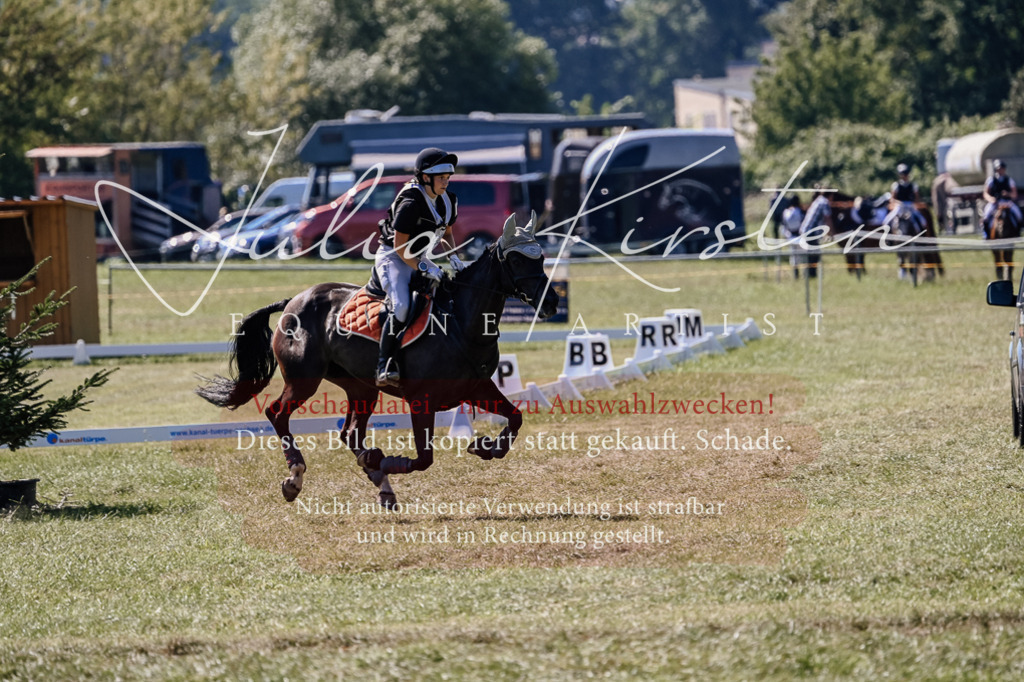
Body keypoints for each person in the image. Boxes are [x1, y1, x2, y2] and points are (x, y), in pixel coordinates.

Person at [374, 147, 466, 388]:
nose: (446, 182)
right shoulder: (411, 202)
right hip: (393, 257)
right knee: (402, 306)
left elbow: (446, 232)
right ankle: (384, 365)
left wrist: (454, 257)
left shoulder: (449, 200)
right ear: (425, 177)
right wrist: (428, 267)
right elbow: (400, 248)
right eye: (441, 178)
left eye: (448, 178)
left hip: (418, 256)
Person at [981, 159, 1022, 238]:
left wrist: (1008, 194)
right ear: (996, 169)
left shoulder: (1009, 180)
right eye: (999, 169)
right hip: (995, 203)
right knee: (986, 216)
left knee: (1018, 215)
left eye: (1002, 168)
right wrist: (991, 199)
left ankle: (1018, 233)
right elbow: (985, 193)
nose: (1001, 170)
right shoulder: (991, 180)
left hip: (1007, 203)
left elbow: (1014, 194)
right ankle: (986, 235)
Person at [882, 164, 926, 234]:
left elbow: (917, 198)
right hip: (899, 206)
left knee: (923, 221)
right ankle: (888, 238)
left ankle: (921, 236)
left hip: (910, 206)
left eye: (906, 174)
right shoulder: (896, 185)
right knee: (886, 221)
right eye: (903, 174)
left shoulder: (913, 185)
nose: (905, 176)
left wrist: (913, 203)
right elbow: (892, 199)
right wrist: (899, 203)